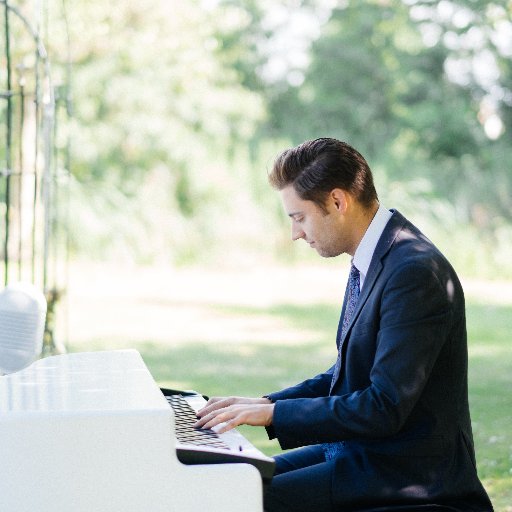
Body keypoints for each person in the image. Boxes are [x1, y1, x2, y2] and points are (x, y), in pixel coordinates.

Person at [194, 138, 493, 511]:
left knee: (244, 498)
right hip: (366, 454)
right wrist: (267, 402)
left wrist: (273, 414)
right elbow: (350, 372)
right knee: (233, 480)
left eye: (298, 217)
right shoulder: (377, 255)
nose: (295, 234)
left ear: (337, 201)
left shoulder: (413, 271)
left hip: (406, 472)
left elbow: (383, 405)